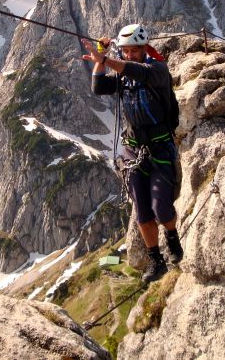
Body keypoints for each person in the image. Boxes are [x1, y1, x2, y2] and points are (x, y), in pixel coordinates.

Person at [80, 24, 183, 283]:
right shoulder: (124, 75)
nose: (130, 54)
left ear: (145, 48)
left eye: (135, 49)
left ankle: (171, 235)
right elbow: (98, 86)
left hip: (160, 146)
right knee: (143, 213)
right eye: (126, 51)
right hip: (133, 149)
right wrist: (100, 59)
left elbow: (139, 72)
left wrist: (107, 58)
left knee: (162, 208)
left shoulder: (157, 70)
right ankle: (156, 261)